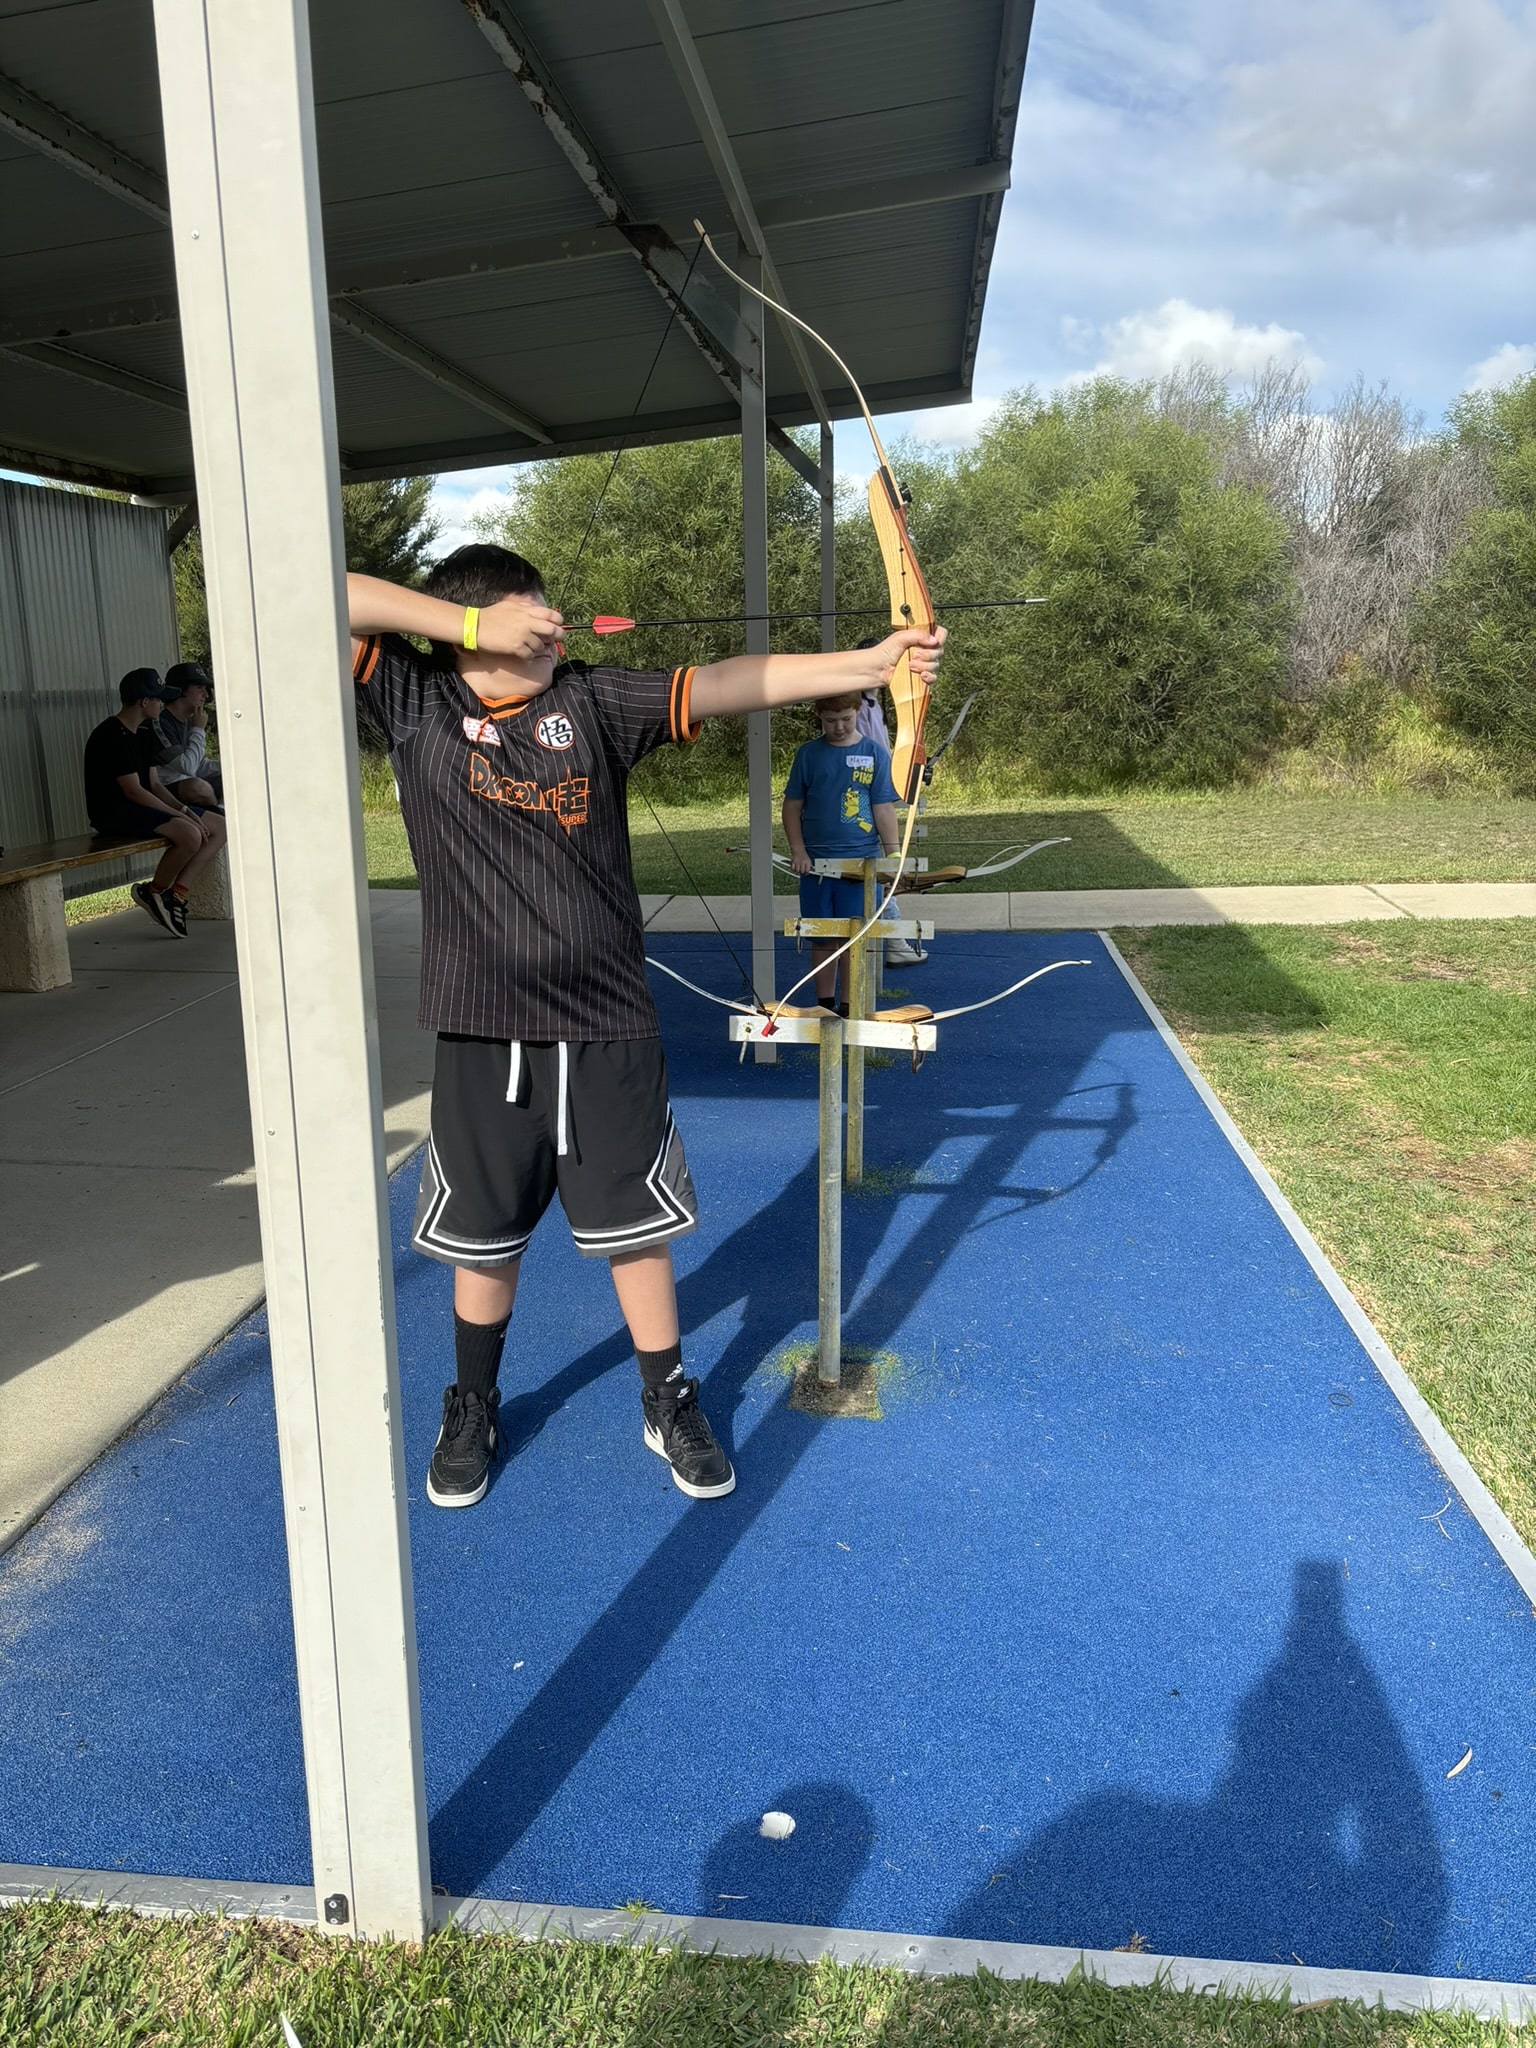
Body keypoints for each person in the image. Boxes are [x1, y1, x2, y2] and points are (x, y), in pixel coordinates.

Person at [345, 545, 944, 1513]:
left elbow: (729, 681)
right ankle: (473, 1401)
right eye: (526, 614)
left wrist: (872, 664)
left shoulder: (591, 702)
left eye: (548, 610)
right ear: (478, 624)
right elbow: (310, 588)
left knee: (637, 1231)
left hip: (607, 1021)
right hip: (480, 1030)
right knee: (485, 1239)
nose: (548, 626)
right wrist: (466, 626)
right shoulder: (417, 702)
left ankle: (666, 1394)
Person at [82, 669, 229, 938]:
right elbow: (134, 792)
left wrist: (187, 811)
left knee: (218, 825)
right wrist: (184, 817)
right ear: (143, 702)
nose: (163, 704)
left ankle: (178, 894)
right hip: (115, 812)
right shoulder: (111, 734)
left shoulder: (143, 733)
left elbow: (156, 785)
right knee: (190, 834)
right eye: (159, 699)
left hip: (141, 804)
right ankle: (154, 892)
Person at [853, 639, 927, 970]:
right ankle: (894, 943)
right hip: (866, 804)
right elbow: (866, 758)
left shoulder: (872, 704)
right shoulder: (861, 706)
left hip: (878, 796)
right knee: (882, 874)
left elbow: (882, 754)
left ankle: (893, 942)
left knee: (883, 872)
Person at [153, 662, 223, 809]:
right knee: (198, 787)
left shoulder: (188, 721)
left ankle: (222, 817)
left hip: (185, 780)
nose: (205, 695)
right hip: (163, 789)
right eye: (199, 688)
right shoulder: (161, 721)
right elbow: (188, 767)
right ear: (181, 690)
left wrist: (228, 767)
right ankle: (220, 818)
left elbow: (200, 765)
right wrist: (198, 730)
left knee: (231, 777)